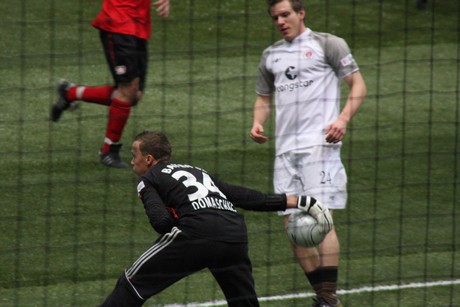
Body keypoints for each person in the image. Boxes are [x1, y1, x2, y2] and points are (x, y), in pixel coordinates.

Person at [100, 130, 334, 306]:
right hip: (234, 235)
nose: (132, 161)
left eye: (134, 155)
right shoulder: (198, 171)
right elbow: (243, 196)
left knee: (131, 283)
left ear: (149, 159)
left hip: (196, 234)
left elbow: (160, 222)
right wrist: (300, 201)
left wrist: (180, 225)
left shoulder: (149, 178)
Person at [249, 0, 367, 306]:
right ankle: (324, 298)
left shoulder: (328, 44)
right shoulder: (271, 55)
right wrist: (257, 123)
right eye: (275, 17)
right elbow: (263, 98)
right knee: (293, 228)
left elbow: (357, 85)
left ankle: (328, 295)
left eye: (286, 14)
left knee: (321, 219)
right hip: (285, 152)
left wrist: (342, 120)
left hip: (320, 146)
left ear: (301, 13)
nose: (281, 21)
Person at [50, 0, 171, 168]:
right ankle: (108, 150)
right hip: (118, 22)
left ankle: (69, 93)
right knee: (128, 91)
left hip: (139, 25)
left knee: (134, 95)